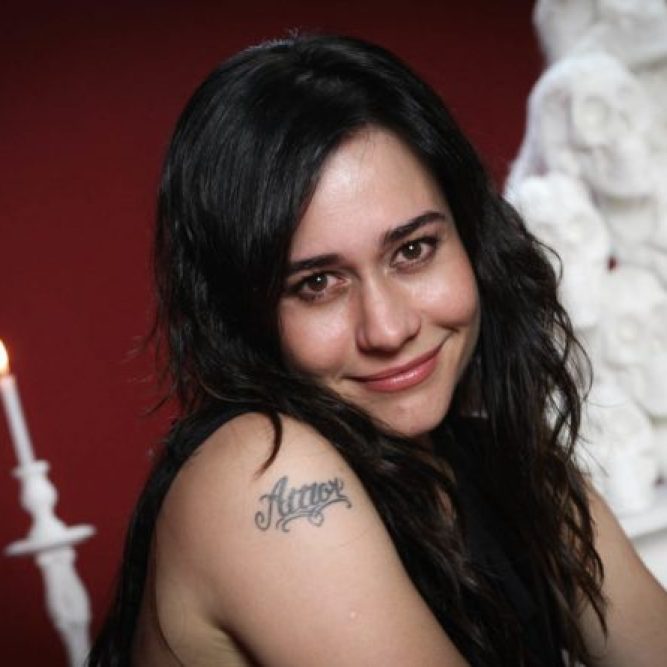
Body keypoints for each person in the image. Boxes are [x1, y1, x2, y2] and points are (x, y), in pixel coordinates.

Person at [88, 34, 667, 666]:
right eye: (317, 284)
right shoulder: (263, 471)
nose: (387, 329)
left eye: (413, 250)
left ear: (473, 239)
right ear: (244, 313)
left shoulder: (501, 461)